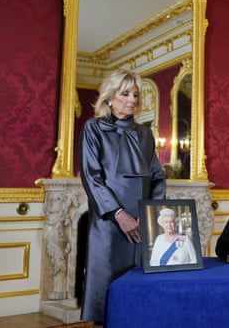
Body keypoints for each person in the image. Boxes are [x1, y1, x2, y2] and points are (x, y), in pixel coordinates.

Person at [79, 69, 166, 326]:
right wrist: (119, 214)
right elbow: (91, 177)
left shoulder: (145, 133)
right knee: (104, 282)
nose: (132, 100)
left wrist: (149, 214)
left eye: (136, 95)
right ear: (109, 97)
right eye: (125, 93)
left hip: (141, 222)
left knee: (138, 281)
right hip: (108, 222)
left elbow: (157, 177)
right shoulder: (93, 128)